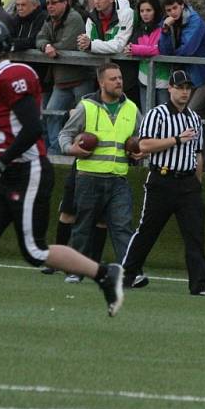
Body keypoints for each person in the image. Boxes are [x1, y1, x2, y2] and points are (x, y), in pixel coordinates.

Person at [0, 19, 123, 331]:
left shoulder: (14, 74)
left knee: (35, 251)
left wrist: (2, 161)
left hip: (27, 169)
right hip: (5, 169)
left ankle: (105, 274)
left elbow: (32, 128)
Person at [121, 70, 205, 297]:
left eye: (188, 88)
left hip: (188, 183)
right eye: (180, 88)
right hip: (162, 179)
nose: (185, 92)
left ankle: (200, 285)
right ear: (170, 88)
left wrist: (197, 184)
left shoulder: (194, 118)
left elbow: (198, 154)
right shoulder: (157, 115)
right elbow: (145, 146)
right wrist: (176, 139)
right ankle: (127, 274)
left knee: (195, 235)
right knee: (147, 230)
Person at [59, 63, 143, 275]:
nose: (119, 82)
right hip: (88, 176)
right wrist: (72, 149)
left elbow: (142, 140)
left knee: (123, 227)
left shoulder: (132, 108)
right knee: (82, 226)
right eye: (113, 79)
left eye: (120, 77)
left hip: (118, 178)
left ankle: (131, 272)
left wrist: (141, 151)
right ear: (101, 82)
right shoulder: (86, 106)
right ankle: (75, 270)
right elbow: (64, 135)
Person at [158, 0, 205, 161]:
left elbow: (187, 51)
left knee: (191, 113)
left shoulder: (195, 21)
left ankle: (195, 158)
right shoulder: (170, 23)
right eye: (168, 10)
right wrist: (164, 30)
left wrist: (173, 52)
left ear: (182, 5)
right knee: (200, 120)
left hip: (204, 75)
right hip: (188, 78)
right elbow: (164, 51)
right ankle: (202, 161)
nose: (172, 13)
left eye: (175, 8)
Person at [35, 0, 92, 154]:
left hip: (81, 78)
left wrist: (52, 47)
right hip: (60, 80)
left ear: (64, 3)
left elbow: (69, 44)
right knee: (52, 113)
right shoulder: (49, 20)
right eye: (48, 3)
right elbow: (39, 38)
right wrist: (46, 46)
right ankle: (56, 149)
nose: (50, 7)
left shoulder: (74, 18)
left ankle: (83, 148)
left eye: (54, 3)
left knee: (84, 117)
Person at [124, 0, 170, 111]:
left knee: (164, 115)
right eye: (142, 11)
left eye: (148, 10)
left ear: (156, 11)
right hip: (144, 77)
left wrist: (136, 49)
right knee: (147, 115)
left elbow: (158, 49)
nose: (145, 14)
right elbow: (133, 46)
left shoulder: (164, 27)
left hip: (163, 78)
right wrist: (134, 48)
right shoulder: (139, 28)